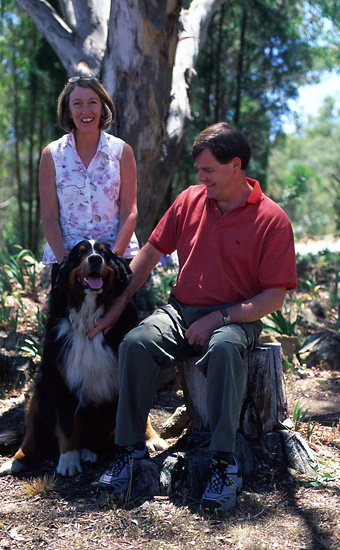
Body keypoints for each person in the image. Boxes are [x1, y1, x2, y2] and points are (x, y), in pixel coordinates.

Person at [87, 122, 297, 511]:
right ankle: (129, 450)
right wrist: (118, 304)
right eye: (199, 170)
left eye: (209, 170)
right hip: (181, 310)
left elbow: (274, 297)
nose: (201, 178)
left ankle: (223, 461)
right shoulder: (189, 200)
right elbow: (150, 252)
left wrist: (218, 319)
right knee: (135, 343)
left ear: (236, 165)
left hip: (238, 318)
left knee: (222, 350)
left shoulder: (272, 218)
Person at [39, 75, 139, 279]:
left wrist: (114, 260)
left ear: (103, 108)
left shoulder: (122, 152)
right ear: (67, 111)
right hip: (69, 263)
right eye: (77, 104)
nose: (86, 111)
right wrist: (65, 262)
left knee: (119, 313)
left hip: (114, 263)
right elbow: (49, 216)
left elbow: (129, 211)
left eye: (92, 102)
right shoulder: (52, 155)